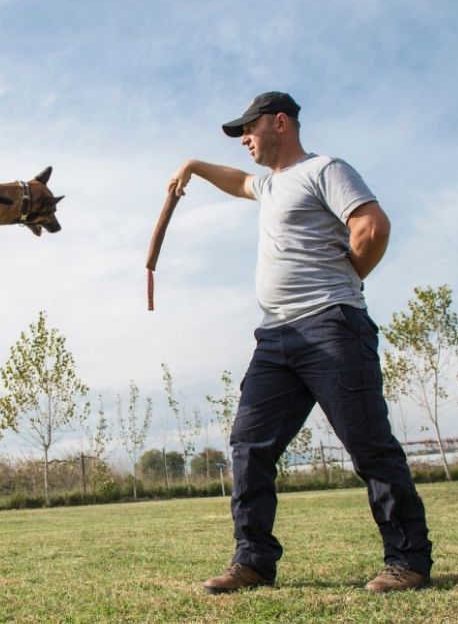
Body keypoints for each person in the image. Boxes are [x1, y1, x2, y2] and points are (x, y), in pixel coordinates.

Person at [168, 91, 433, 593]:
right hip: (274, 337)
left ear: (281, 122)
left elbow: (372, 226)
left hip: (331, 327)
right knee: (250, 445)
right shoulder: (269, 186)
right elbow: (237, 182)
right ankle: (253, 561)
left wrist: (347, 277)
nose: (244, 139)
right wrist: (194, 166)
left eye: (250, 128)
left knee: (369, 446)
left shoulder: (325, 169)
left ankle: (408, 560)